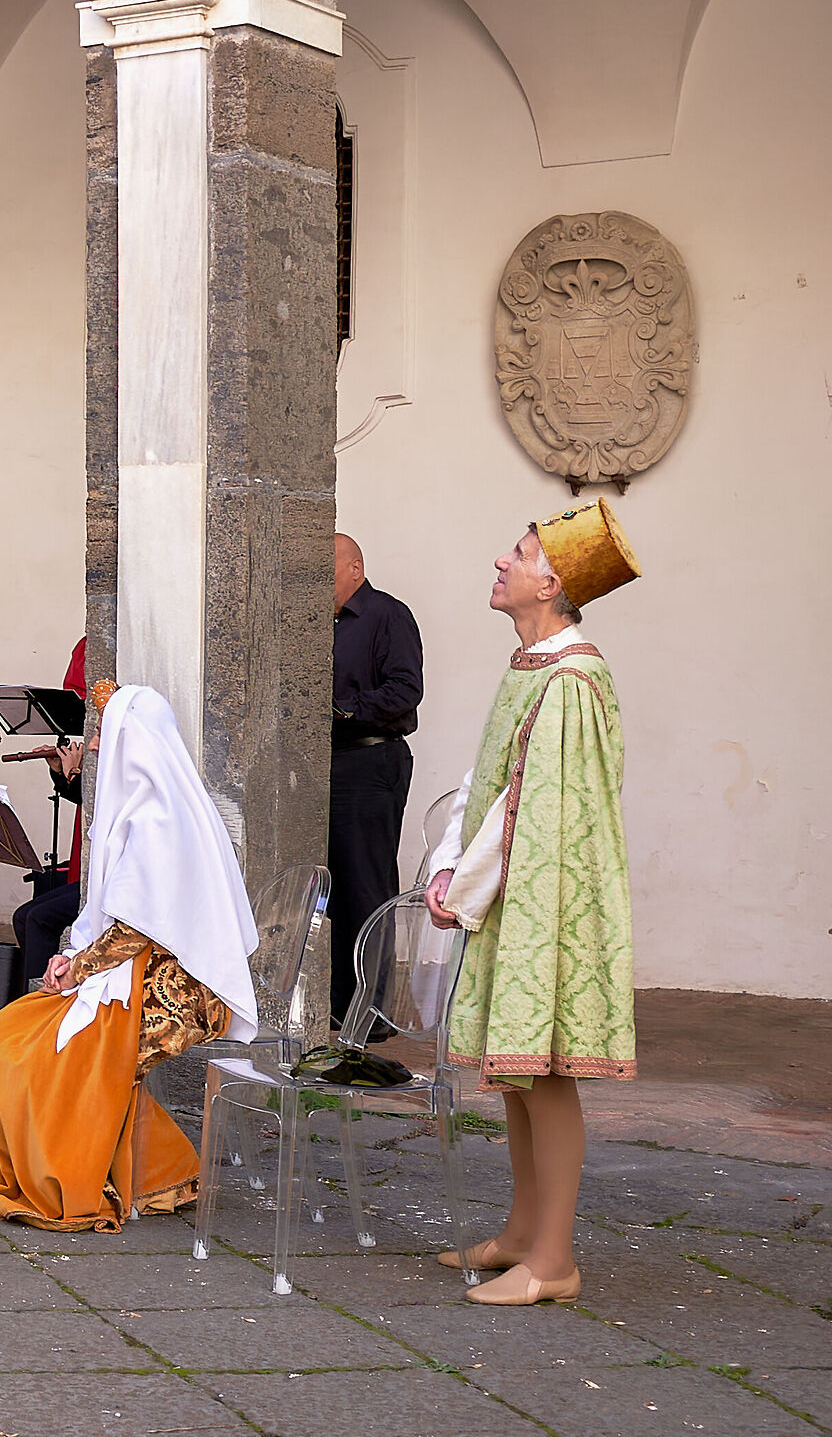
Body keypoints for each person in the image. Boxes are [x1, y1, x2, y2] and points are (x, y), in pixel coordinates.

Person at [0, 684, 258, 1231]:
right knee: (10, 1030)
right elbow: (109, 919)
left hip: (182, 990)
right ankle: (154, 1171)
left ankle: (66, 1178)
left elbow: (134, 930)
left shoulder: (158, 820)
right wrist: (69, 956)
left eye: (103, 732)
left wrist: (76, 969)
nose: (94, 745)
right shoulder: (145, 807)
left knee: (41, 1047)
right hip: (138, 971)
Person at [424, 500, 640, 1308]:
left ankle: (553, 1260)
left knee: (544, 1074)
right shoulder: (534, 667)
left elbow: (531, 809)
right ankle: (522, 1231)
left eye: (517, 554)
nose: (501, 561)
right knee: (518, 1075)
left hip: (546, 900)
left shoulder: (572, 678)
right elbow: (487, 783)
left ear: (551, 584)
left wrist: (461, 890)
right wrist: (451, 866)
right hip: (515, 893)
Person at [330, 533, 425, 1019]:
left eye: (327, 564)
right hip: (326, 764)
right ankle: (335, 1004)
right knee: (329, 889)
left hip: (370, 761)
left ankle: (371, 1012)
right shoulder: (318, 622)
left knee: (366, 885)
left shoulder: (387, 615)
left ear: (356, 569)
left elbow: (406, 690)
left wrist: (344, 710)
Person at [8, 637, 90, 998]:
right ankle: (34, 1006)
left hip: (120, 880)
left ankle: (41, 1005)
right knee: (25, 916)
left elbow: (107, 812)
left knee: (38, 918)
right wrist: (62, 771)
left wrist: (74, 774)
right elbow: (83, 799)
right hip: (97, 870)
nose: (91, 739)